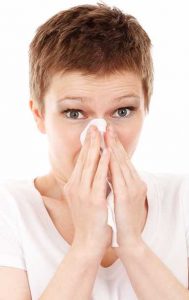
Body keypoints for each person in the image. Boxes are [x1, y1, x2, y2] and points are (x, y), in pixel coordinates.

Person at [0, 3, 189, 299]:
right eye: (75, 113)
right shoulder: (9, 209)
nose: (100, 136)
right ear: (39, 115)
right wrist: (87, 244)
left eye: (122, 111)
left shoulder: (182, 199)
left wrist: (132, 244)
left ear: (146, 108)